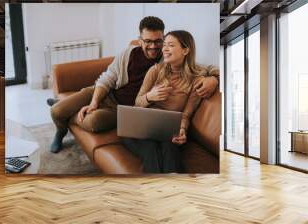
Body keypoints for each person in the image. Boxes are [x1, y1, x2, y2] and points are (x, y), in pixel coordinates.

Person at [50, 17, 218, 153]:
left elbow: (206, 68)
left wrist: (214, 79)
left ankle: (67, 115)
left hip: (122, 109)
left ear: (164, 38)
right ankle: (61, 129)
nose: (153, 46)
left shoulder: (168, 59)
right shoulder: (128, 53)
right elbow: (108, 77)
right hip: (105, 92)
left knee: (92, 122)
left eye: (158, 41)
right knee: (56, 111)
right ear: (140, 40)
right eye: (148, 41)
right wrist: (94, 102)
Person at [123, 30, 219, 173]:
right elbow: (137, 103)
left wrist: (182, 130)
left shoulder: (196, 78)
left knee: (169, 146)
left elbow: (187, 114)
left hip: (168, 131)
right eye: (165, 45)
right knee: (150, 149)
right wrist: (150, 96)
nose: (165, 49)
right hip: (141, 128)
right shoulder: (155, 70)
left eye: (171, 45)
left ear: (185, 50)